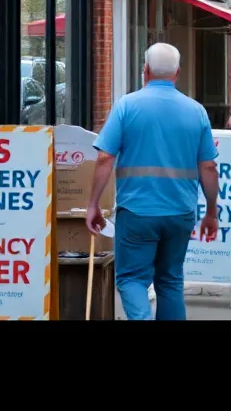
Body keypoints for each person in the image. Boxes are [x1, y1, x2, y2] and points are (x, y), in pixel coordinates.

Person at [86, 43, 220, 321]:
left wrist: (93, 205)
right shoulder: (196, 111)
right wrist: (211, 212)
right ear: (178, 73)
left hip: (137, 212)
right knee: (170, 281)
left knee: (132, 279)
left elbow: (104, 158)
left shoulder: (126, 106)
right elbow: (208, 166)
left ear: (144, 70)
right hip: (180, 212)